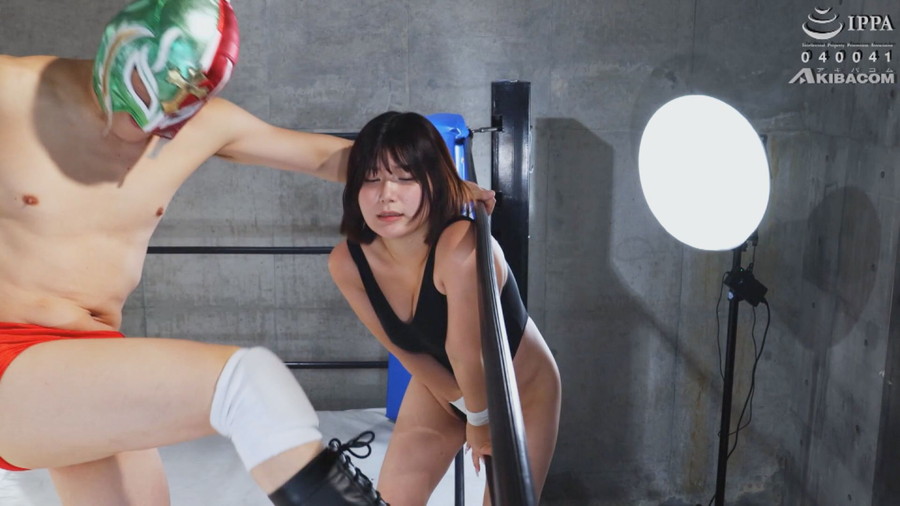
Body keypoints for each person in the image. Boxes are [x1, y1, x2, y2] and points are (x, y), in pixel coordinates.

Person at [0, 1, 497, 504]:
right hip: (10, 353)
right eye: (141, 99)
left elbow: (332, 158)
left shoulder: (204, 123)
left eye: (173, 114)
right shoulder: (12, 90)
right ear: (119, 48)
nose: (148, 127)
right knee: (247, 383)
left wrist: (440, 181)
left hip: (89, 362)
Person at [328, 111, 561, 505]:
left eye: (405, 178)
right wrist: (463, 407)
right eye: (371, 178)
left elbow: (466, 351)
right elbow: (403, 350)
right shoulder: (347, 263)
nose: (386, 194)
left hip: (520, 392)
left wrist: (482, 420)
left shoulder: (461, 245)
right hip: (444, 390)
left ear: (434, 182)